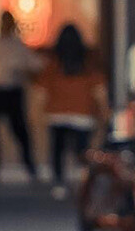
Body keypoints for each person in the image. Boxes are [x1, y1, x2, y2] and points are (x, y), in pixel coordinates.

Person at [36, 24, 107, 199]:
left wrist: (39, 114)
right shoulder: (89, 62)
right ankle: (83, 183)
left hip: (56, 113)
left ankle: (60, 184)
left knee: (58, 150)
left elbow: (41, 93)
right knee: (82, 151)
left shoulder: (53, 63)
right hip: (83, 113)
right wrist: (104, 111)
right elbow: (100, 90)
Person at [0, 10, 40, 186]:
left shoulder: (17, 45)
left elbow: (35, 65)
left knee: (20, 132)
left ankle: (30, 167)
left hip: (11, 91)